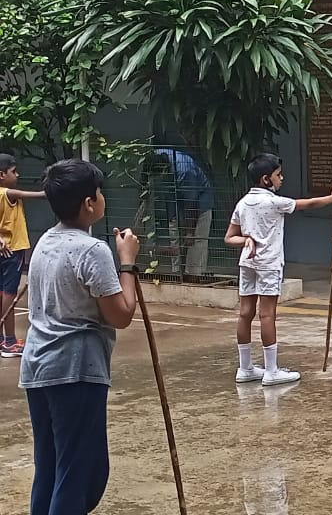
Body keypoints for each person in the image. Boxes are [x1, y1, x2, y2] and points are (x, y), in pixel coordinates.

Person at [19, 159, 140, 514]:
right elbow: (121, 315)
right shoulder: (93, 251)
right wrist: (128, 262)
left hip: (38, 368)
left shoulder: (45, 242)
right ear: (89, 203)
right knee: (80, 475)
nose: (102, 198)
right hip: (76, 369)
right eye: (99, 192)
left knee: (52, 468)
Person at [225, 153, 332, 386]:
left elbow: (230, 237)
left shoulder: (242, 203)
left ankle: (245, 367)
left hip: (247, 262)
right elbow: (306, 204)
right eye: (278, 175)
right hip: (269, 263)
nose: (282, 179)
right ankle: (271, 371)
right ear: (266, 179)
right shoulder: (273, 202)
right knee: (267, 314)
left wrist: (246, 240)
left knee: (245, 313)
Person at [0, 153, 46, 358]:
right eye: (13, 171)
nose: (17, 175)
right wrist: (51, 191)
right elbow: (36, 195)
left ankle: (3, 340)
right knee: (9, 294)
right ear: (2, 174)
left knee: (2, 293)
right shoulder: (8, 193)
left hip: (5, 247)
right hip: (12, 249)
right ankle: (8, 342)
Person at [153, 147, 214, 278]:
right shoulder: (152, 156)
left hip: (199, 200)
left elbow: (191, 203)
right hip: (175, 199)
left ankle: (194, 275)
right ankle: (177, 273)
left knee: (196, 239)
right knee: (174, 234)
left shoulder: (185, 171)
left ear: (164, 167)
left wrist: (190, 232)